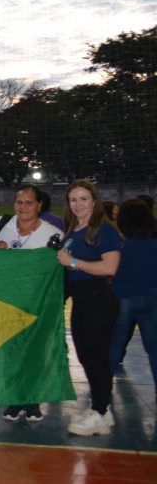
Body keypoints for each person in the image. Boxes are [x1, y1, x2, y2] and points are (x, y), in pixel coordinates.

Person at [0, 186, 65, 423]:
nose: (23, 207)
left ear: (39, 205)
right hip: (5, 302)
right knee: (10, 352)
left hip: (37, 305)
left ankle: (32, 400)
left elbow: (59, 272)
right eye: (19, 202)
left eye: (29, 202)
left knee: (34, 353)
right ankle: (15, 398)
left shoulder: (54, 235)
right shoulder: (0, 226)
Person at [58, 180, 122, 436]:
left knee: (96, 358)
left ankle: (100, 411)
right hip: (81, 301)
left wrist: (73, 262)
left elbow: (110, 267)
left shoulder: (103, 230)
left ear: (94, 201)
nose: (78, 204)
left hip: (98, 300)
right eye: (74, 200)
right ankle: (102, 410)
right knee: (86, 357)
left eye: (84, 199)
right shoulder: (74, 231)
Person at [108, 199, 156, 401]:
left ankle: (102, 391)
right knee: (154, 349)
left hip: (122, 299)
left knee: (113, 345)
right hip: (153, 299)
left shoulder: (118, 244)